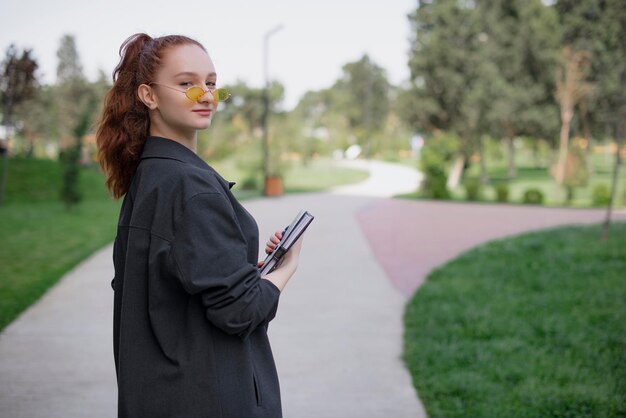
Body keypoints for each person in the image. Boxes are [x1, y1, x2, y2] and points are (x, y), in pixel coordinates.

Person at [96, 33, 303, 418]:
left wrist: (238, 273)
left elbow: (175, 284)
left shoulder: (151, 175)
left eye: (211, 83)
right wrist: (285, 269)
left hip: (159, 395)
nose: (205, 95)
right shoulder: (190, 187)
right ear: (149, 96)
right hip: (207, 397)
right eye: (187, 84)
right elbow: (239, 311)